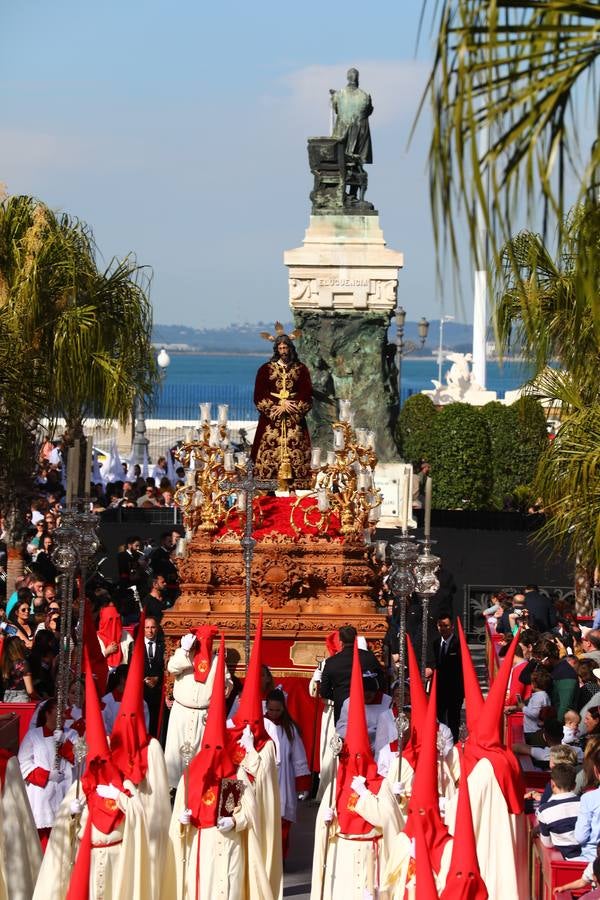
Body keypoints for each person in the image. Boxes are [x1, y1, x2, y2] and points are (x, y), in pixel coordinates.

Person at [169, 636, 273, 900]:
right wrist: (182, 822)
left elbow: (250, 812)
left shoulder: (236, 776)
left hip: (230, 845)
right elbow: (180, 816)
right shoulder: (190, 777)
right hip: (202, 846)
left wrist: (235, 820)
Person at [310, 642, 402, 900]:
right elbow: (342, 725)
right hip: (353, 753)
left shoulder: (386, 704)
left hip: (377, 756)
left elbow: (388, 821)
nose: (369, 699)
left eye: (372, 695)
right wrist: (326, 820)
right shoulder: (351, 703)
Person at [164, 625, 232, 789]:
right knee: (176, 753)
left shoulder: (217, 662)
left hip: (204, 715)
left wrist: (225, 687)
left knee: (199, 753)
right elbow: (172, 667)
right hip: (182, 713)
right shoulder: (184, 656)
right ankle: (174, 789)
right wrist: (184, 650)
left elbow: (228, 684)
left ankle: (197, 787)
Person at [251, 327, 312, 490]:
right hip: (272, 421)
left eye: (286, 348)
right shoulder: (265, 369)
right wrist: (276, 406)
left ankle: (296, 487)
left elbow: (307, 393)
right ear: (276, 350)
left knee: (297, 451)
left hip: (293, 420)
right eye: (281, 348)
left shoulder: (301, 369)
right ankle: (267, 487)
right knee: (267, 451)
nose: (283, 351)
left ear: (291, 349)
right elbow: (259, 394)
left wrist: (291, 405)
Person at [18, 698, 75, 849]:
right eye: (59, 712)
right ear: (47, 714)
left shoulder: (72, 734)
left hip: (65, 793)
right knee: (41, 842)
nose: (64, 715)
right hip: (41, 796)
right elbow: (23, 763)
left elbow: (81, 758)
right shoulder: (33, 735)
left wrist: (65, 743)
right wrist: (47, 776)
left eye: (64, 712)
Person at [264, 688, 311, 859]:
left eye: (277, 710)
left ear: (283, 708)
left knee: (282, 822)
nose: (274, 713)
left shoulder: (290, 729)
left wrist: (302, 784)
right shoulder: (260, 725)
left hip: (284, 780)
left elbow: (299, 757)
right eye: (271, 709)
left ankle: (280, 859)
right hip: (265, 779)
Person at [319, 625, 385, 724]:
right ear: (356, 639)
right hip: (366, 710)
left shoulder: (331, 662)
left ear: (340, 642)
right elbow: (381, 682)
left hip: (342, 711)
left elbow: (324, 691)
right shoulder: (369, 657)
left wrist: (339, 696)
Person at [537, 762, 582, 859]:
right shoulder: (584, 804)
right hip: (588, 856)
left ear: (552, 784)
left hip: (565, 859)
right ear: (574, 785)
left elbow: (547, 843)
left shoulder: (544, 811)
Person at [433, 613, 464, 742]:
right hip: (439, 689)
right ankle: (440, 742)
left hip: (454, 690)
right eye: (440, 626)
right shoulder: (435, 643)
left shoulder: (459, 644)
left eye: (446, 625)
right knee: (439, 718)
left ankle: (454, 744)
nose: (443, 628)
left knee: (453, 720)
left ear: (452, 627)